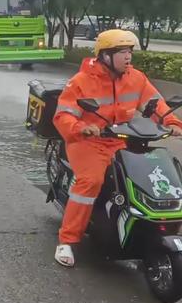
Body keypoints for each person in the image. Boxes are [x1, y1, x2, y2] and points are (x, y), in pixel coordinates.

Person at [53, 29, 182, 267]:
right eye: (122, 52)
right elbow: (63, 116)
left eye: (130, 51)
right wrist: (81, 127)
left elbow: (154, 105)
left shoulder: (136, 78)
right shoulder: (81, 81)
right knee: (90, 182)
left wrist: (172, 122)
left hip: (120, 139)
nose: (128, 57)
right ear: (105, 55)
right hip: (87, 142)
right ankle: (67, 241)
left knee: (148, 175)